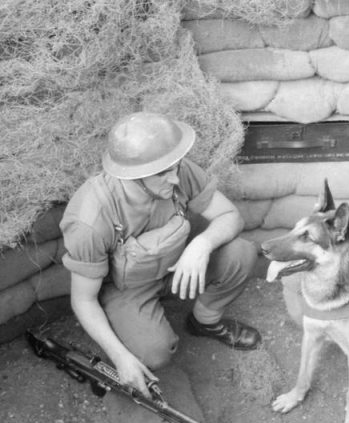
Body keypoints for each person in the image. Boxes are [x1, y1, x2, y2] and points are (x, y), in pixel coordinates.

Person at [60, 111, 261, 397]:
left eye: (175, 167)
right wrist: (120, 357)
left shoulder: (176, 172)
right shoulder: (91, 218)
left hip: (178, 264)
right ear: (133, 175)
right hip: (127, 289)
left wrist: (200, 246)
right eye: (163, 173)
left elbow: (230, 216)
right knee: (155, 353)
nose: (176, 179)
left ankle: (205, 322)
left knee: (241, 254)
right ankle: (128, 334)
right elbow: (83, 299)